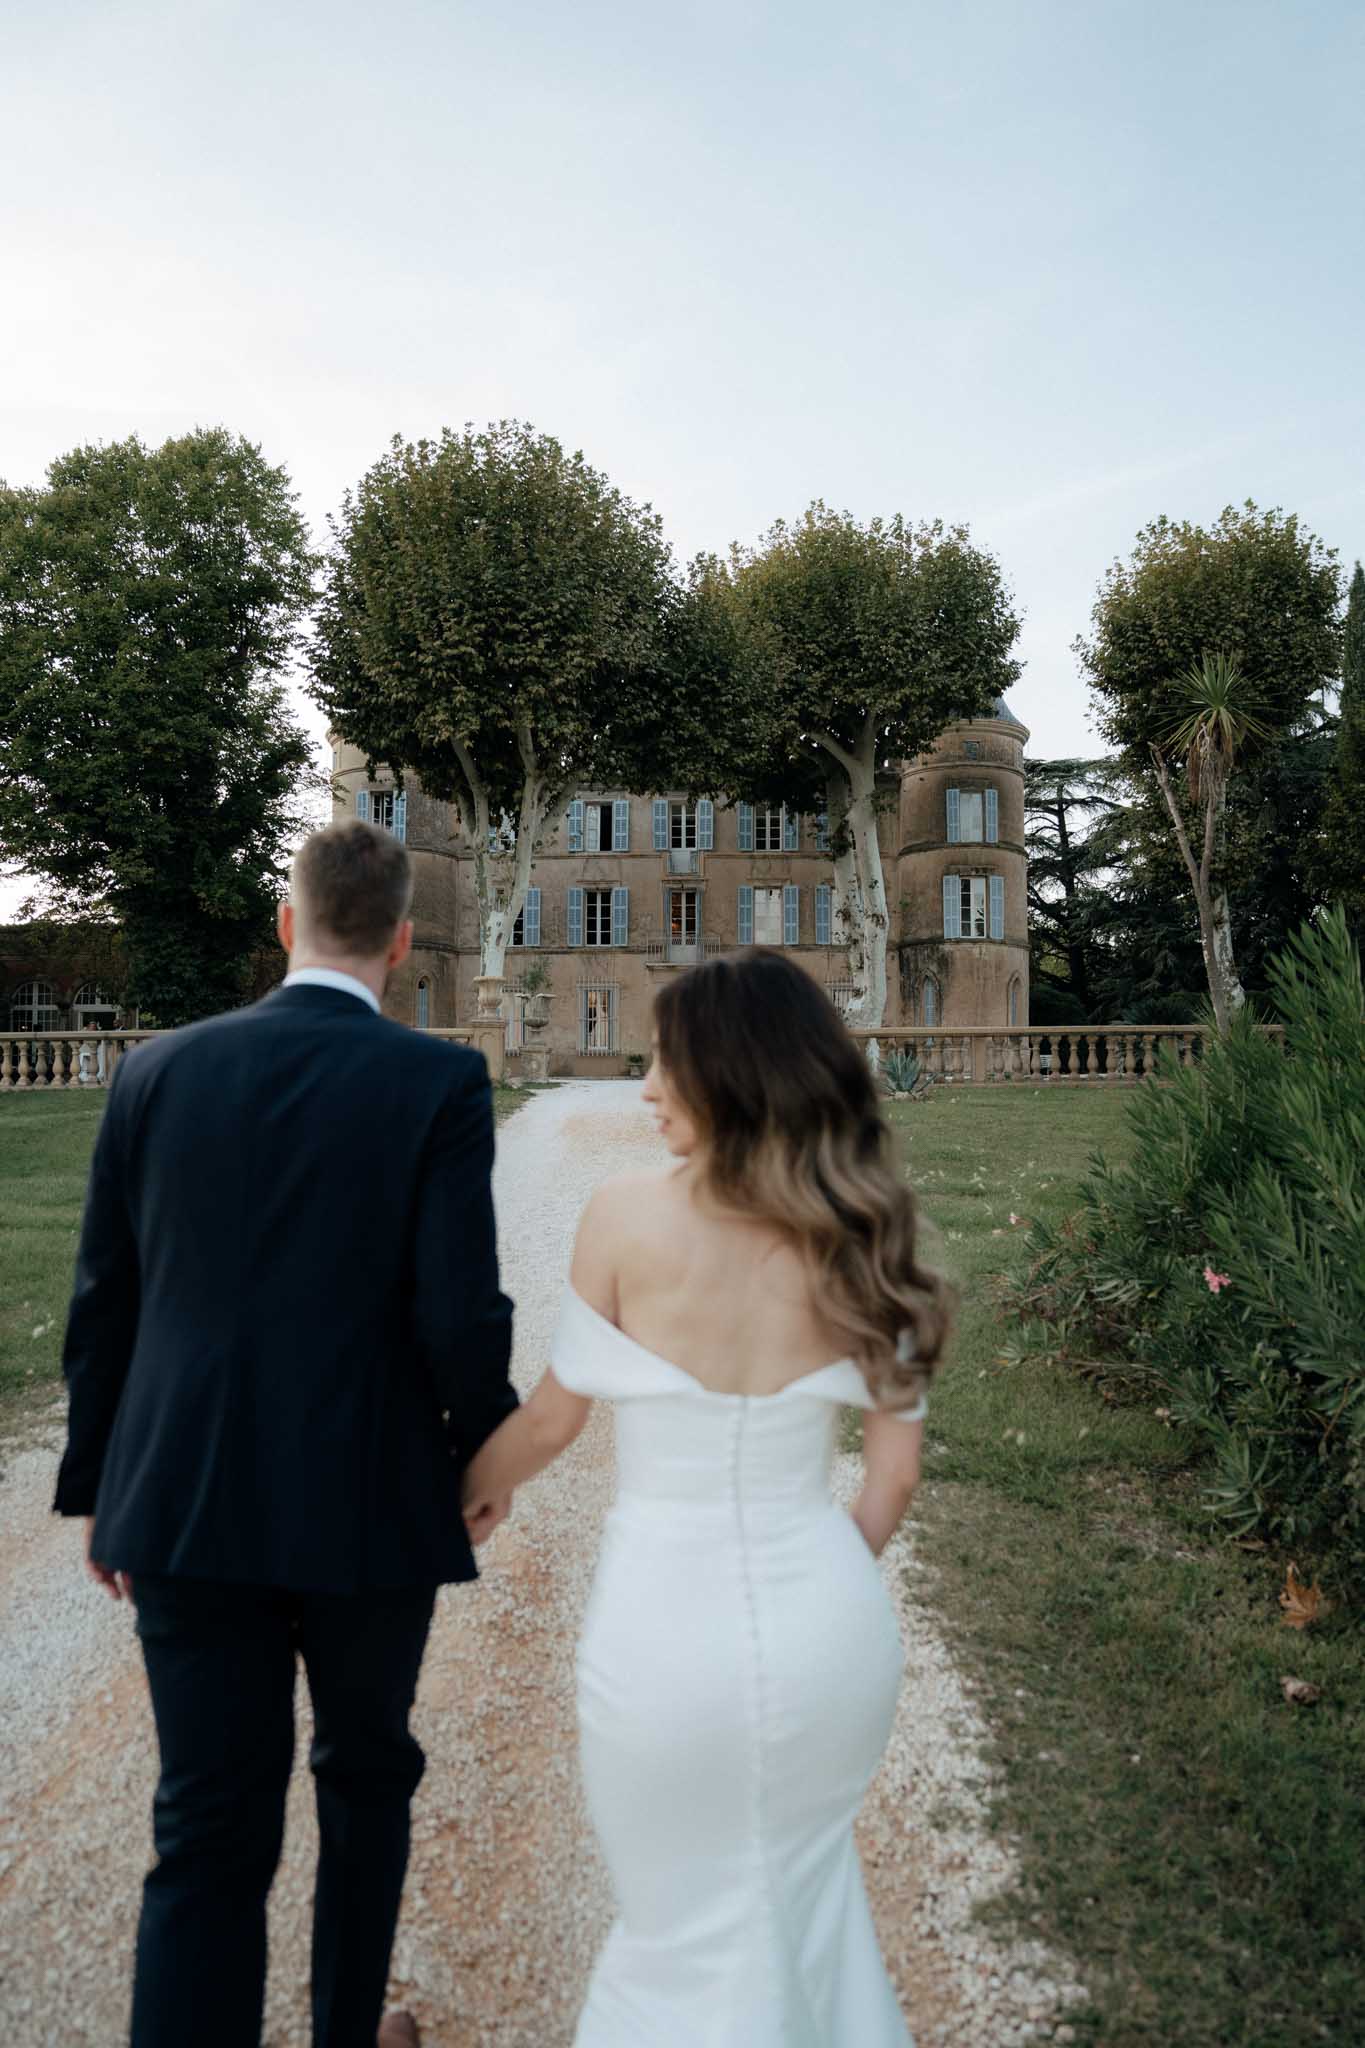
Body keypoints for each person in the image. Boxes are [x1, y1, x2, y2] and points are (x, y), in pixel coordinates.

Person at [53, 820, 516, 2048]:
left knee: (204, 1823)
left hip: (189, 1496)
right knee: (365, 1782)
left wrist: (101, 1480)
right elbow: (461, 1306)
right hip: (372, 1500)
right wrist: (481, 1450)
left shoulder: (154, 1070)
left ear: (284, 924)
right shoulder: (436, 1080)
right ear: (405, 941)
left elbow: (108, 1295)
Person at [462, 947, 951, 2046]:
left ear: (724, 1072)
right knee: (810, 1912)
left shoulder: (625, 1217)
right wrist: (819, 1572)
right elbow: (894, 1475)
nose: (643, 1087)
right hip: (833, 1632)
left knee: (674, 1933)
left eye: (660, 1060)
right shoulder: (866, 1226)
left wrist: (467, 1489)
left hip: (662, 1635)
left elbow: (549, 1421)